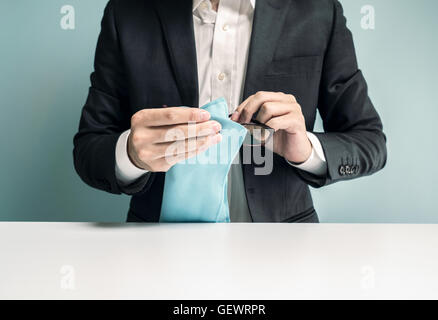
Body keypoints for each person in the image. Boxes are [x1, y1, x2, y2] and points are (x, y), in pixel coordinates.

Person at [73, 0, 387, 222]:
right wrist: (130, 154)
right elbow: (89, 149)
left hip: (285, 250)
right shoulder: (126, 12)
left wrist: (306, 150)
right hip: (154, 249)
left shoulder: (319, 12)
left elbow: (369, 141)